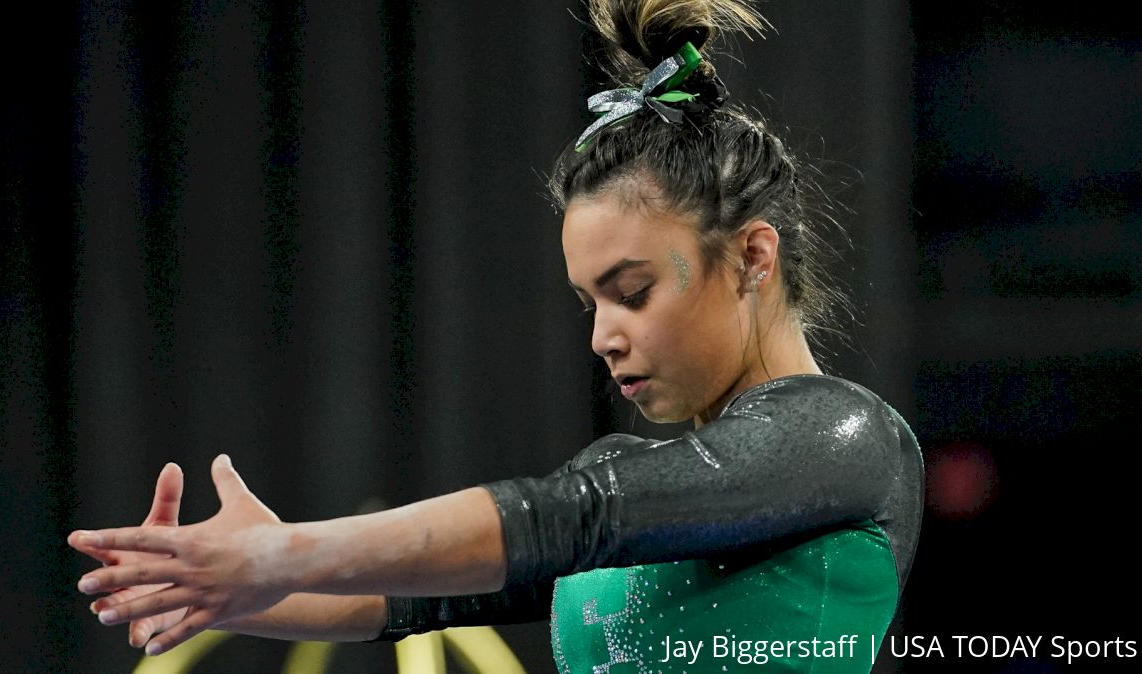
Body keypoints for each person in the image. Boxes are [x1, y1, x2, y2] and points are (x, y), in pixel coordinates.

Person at [69, 1, 923, 671]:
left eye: (631, 292)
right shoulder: (620, 478)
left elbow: (570, 520)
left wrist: (281, 552)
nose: (603, 337)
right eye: (589, 303)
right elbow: (415, 604)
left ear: (751, 257)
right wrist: (238, 589)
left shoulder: (845, 441)